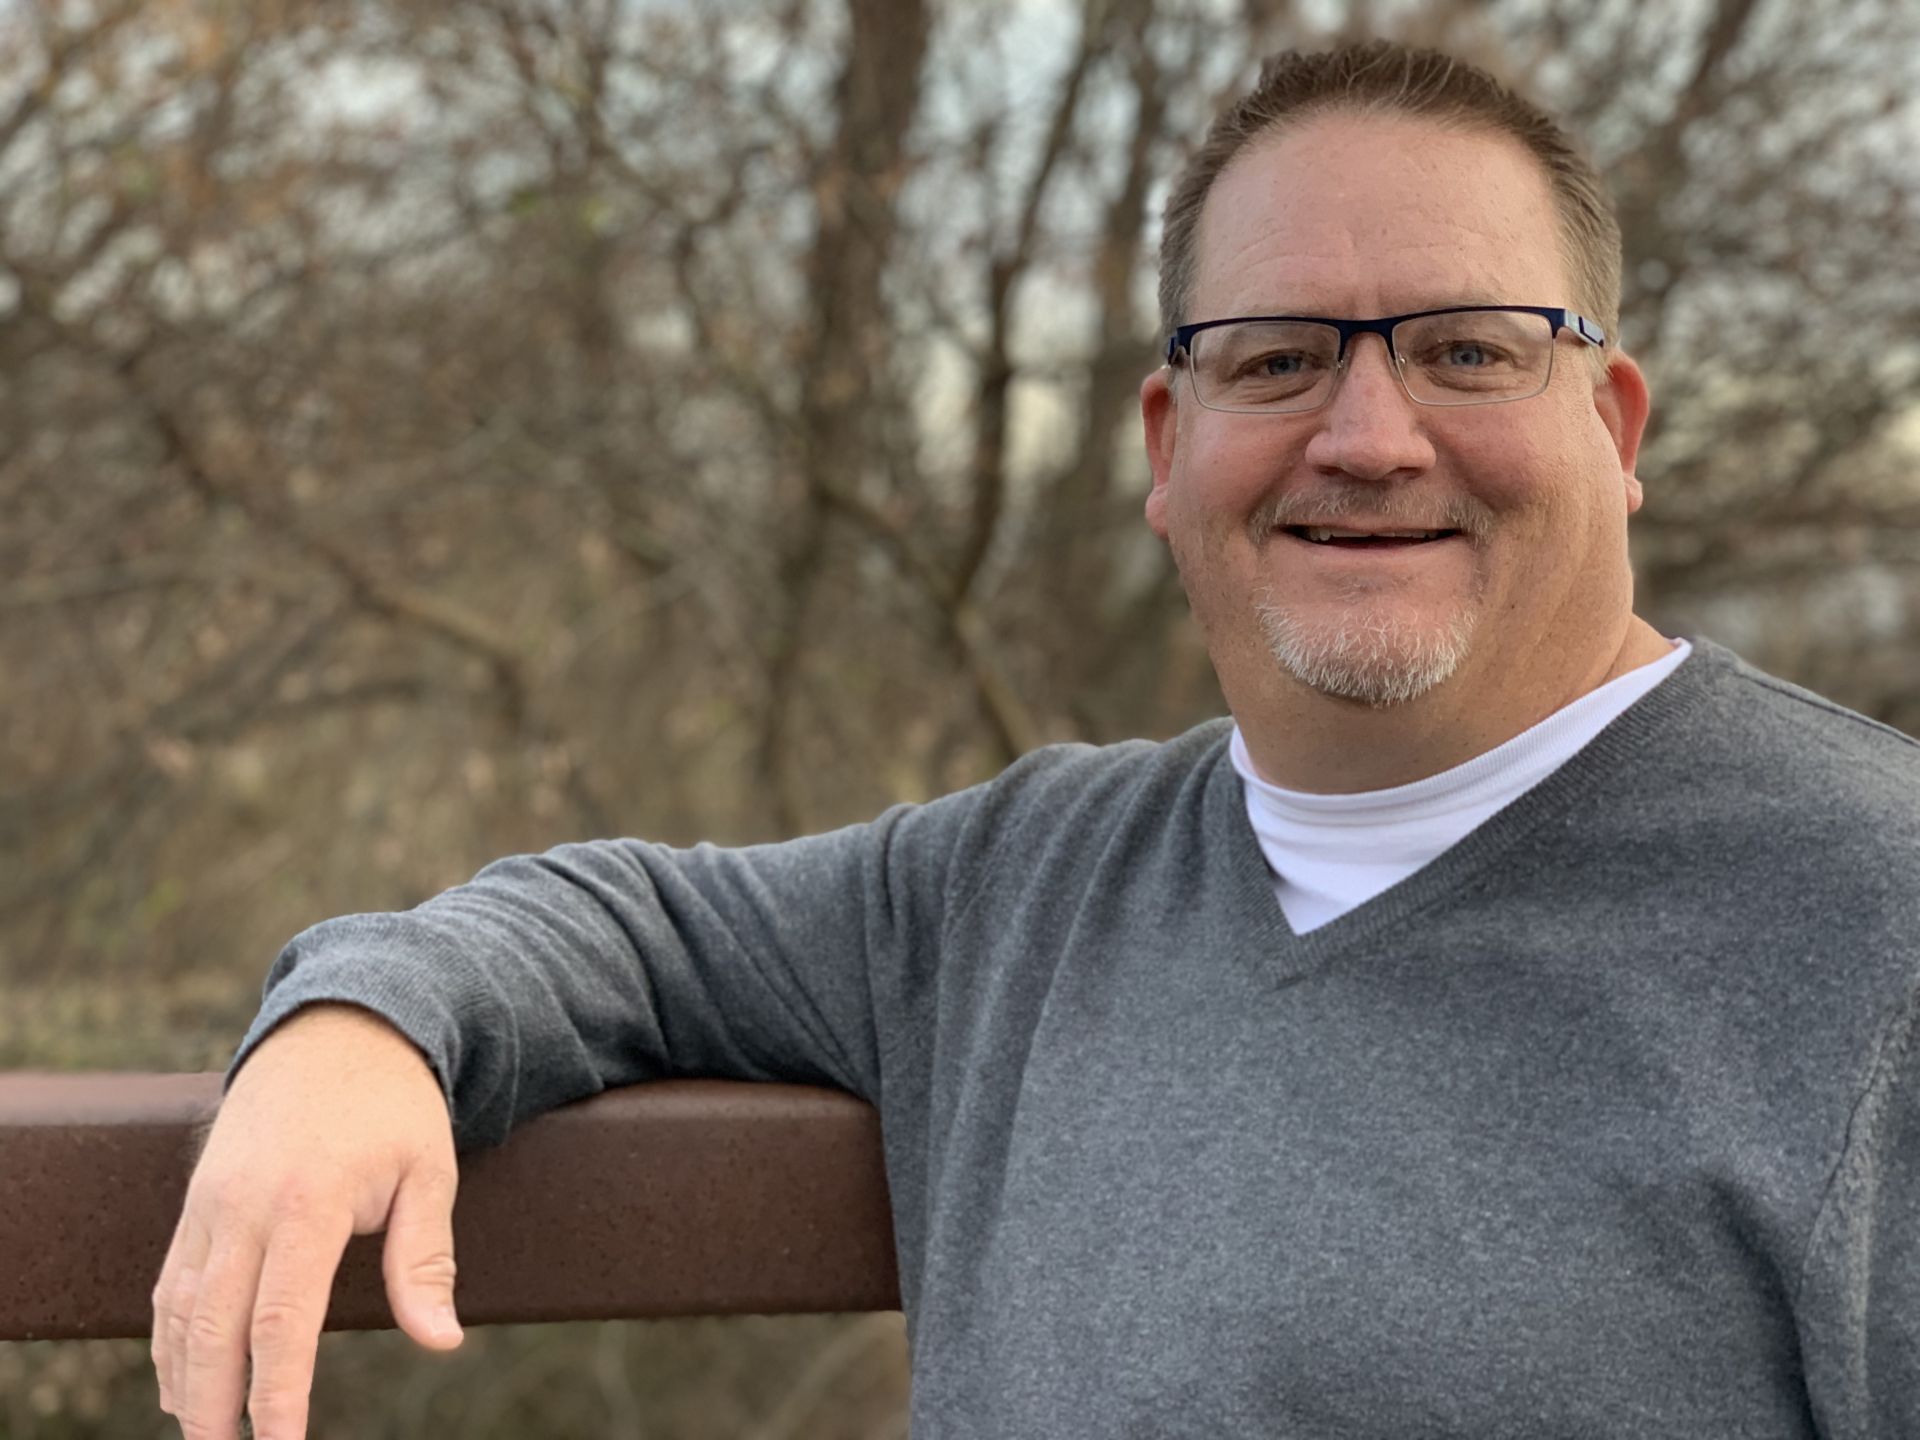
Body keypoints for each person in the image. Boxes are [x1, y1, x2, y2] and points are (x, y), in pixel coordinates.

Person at [152, 40, 1920, 1440]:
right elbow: (623, 927)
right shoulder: (1016, 890)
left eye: (1468, 351)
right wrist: (358, 1021)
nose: (1370, 436)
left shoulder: (1875, 923)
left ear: (1616, 426)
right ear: (1168, 443)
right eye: (1277, 360)